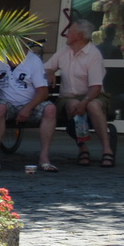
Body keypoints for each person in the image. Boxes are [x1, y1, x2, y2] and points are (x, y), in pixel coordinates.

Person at [0, 46, 56, 173]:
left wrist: (28, 108)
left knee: (50, 109)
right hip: (4, 103)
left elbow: (43, 92)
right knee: (0, 108)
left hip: (29, 104)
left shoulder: (34, 60)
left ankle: (44, 158)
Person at [44, 19, 113, 167]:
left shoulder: (93, 54)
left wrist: (85, 101)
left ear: (79, 36)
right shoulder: (64, 52)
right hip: (68, 97)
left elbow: (95, 87)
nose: (66, 35)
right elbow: (47, 66)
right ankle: (83, 149)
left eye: (70, 32)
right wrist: (49, 72)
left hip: (93, 94)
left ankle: (107, 150)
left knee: (93, 106)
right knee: (74, 105)